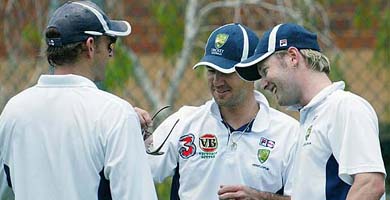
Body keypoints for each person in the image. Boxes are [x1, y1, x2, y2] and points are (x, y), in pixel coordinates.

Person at [0, 1, 157, 200]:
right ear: (90, 46)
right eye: (109, 45)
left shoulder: (13, 111)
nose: (111, 55)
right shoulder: (115, 114)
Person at [139, 23, 300, 200]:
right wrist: (132, 130)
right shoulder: (184, 122)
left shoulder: (289, 133)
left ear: (251, 72)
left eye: (226, 71)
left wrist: (261, 198)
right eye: (211, 70)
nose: (217, 81)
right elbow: (138, 171)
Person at [235, 23, 386, 200]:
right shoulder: (310, 118)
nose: (263, 84)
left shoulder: (344, 106)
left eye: (265, 70)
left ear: (292, 57)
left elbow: (370, 184)